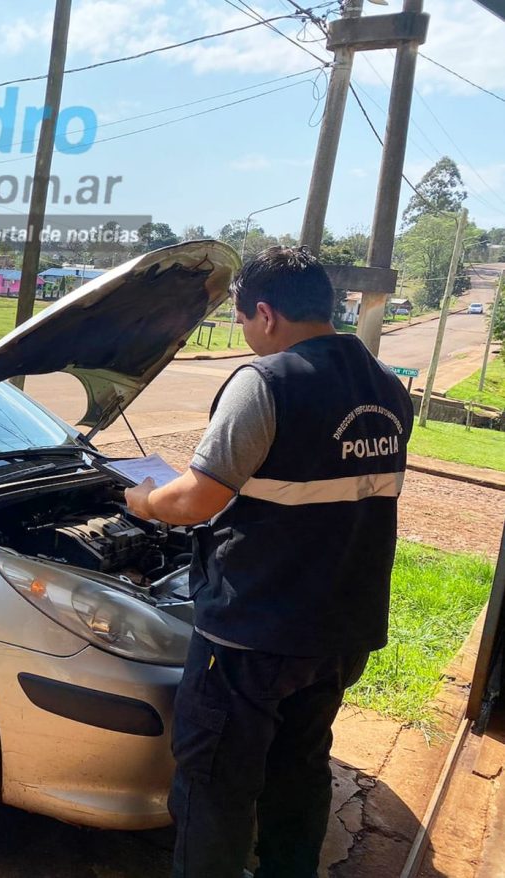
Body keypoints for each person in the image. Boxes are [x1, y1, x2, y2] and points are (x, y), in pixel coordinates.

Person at [124, 246, 413, 878]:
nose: (249, 336)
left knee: (214, 785)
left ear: (265, 314)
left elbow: (197, 499)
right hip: (341, 628)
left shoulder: (266, 383)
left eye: (245, 322)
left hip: (253, 635)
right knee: (299, 770)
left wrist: (141, 499)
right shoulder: (388, 388)